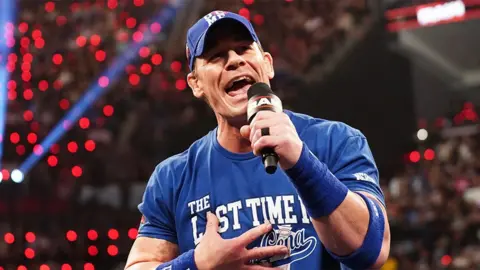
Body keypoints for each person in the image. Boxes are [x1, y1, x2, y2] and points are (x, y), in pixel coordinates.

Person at [125, 10, 390, 270]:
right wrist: (197, 264)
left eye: (243, 49)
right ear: (195, 84)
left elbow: (371, 251)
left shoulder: (337, 141)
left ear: (268, 64)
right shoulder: (173, 177)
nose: (234, 61)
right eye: (216, 56)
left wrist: (301, 161)